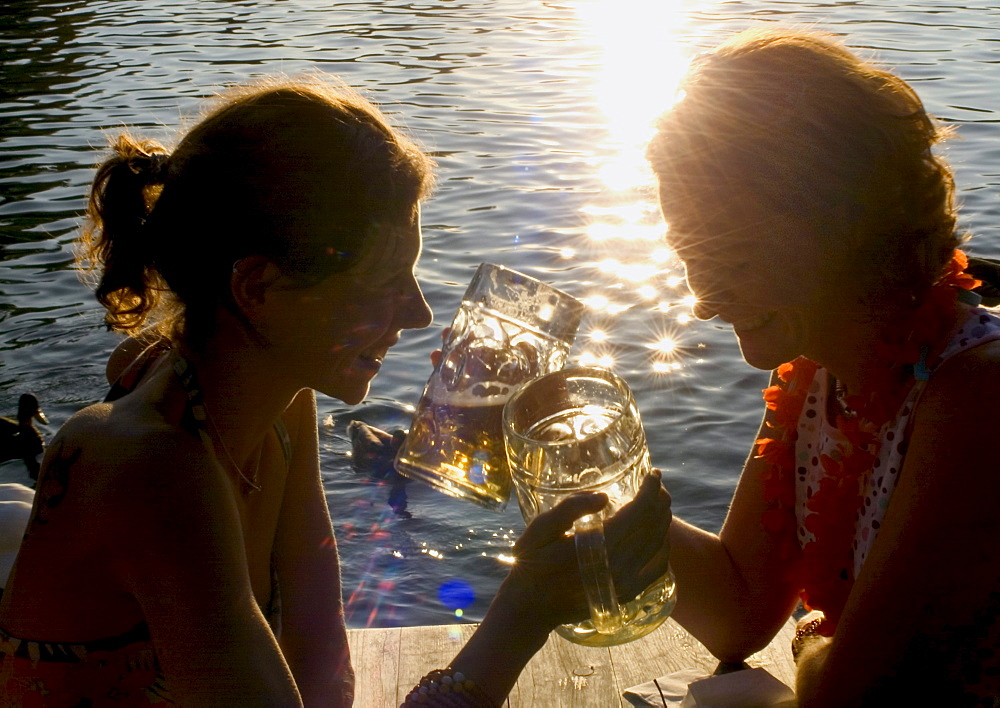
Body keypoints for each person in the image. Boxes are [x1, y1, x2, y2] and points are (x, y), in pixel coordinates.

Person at [0, 78, 672, 706]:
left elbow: (323, 675)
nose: (417, 315)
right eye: (383, 283)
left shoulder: (280, 407)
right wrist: (523, 612)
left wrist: (513, 462)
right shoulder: (152, 468)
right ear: (257, 288)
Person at [646, 28, 1000, 705]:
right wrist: (593, 480)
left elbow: (851, 693)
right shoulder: (817, 378)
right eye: (690, 256)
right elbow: (739, 613)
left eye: (732, 258)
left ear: (842, 222)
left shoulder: (975, 394)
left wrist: (812, 644)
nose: (702, 304)